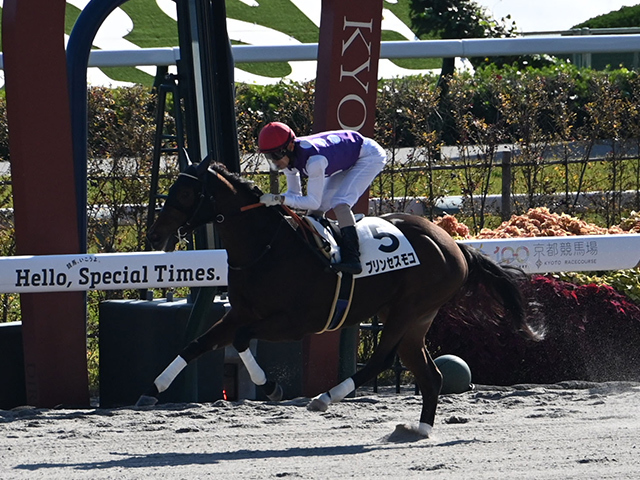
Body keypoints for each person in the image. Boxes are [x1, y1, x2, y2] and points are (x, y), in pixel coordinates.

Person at [257, 122, 387, 275]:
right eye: (269, 156)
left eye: (276, 155)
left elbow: (312, 201)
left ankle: (353, 258)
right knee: (316, 212)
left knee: (340, 202)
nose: (274, 161)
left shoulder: (314, 161)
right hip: (348, 157)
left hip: (369, 156)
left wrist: (279, 199)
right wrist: (275, 200)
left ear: (290, 146)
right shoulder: (290, 158)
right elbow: (294, 194)